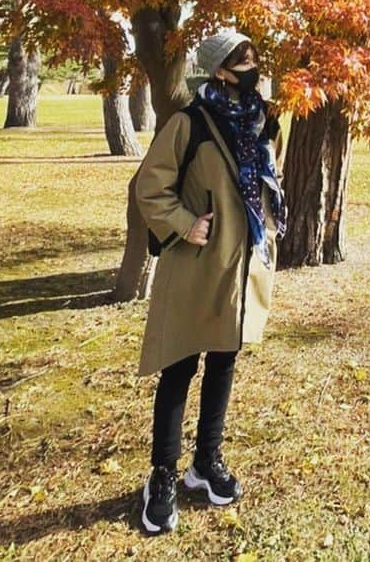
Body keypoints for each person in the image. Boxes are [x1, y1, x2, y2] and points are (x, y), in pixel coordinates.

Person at [133, 29, 287, 535]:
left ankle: (206, 462)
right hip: (196, 266)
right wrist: (184, 222)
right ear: (220, 69)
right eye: (243, 60)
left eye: (254, 58)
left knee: (224, 361)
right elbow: (150, 187)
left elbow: (265, 177)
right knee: (180, 367)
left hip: (240, 267)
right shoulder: (190, 122)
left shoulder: (260, 120)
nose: (253, 66)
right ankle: (162, 475)